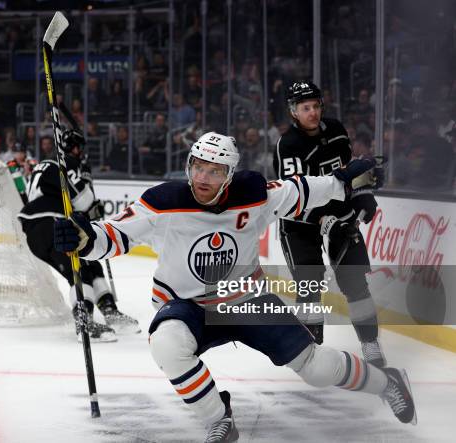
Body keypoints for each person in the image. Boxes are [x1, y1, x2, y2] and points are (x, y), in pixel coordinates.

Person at [54, 132, 416, 441]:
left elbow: (300, 189)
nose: (203, 178)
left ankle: (389, 383)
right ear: (188, 166)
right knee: (167, 344)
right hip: (188, 304)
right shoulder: (162, 203)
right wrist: (84, 238)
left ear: (229, 175)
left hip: (248, 298)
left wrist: (341, 181)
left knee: (317, 368)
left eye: (215, 171)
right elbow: (114, 235)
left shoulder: (253, 194)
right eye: (198, 167)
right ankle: (219, 420)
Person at [273, 81, 386, 367]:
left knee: (354, 281)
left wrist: (363, 194)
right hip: (298, 221)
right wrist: (323, 220)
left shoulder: (335, 129)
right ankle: (311, 350)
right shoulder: (288, 145)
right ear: (293, 112)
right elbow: (292, 197)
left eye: (315, 106)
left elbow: (350, 171)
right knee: (309, 284)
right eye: (305, 108)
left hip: (339, 212)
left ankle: (370, 344)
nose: (312, 112)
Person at [18, 129, 140, 342]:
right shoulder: (66, 164)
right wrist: (93, 209)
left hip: (34, 231)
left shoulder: (41, 166)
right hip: (52, 224)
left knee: (90, 264)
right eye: (79, 148)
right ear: (74, 148)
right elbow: (83, 201)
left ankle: (109, 311)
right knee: (81, 271)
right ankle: (85, 325)